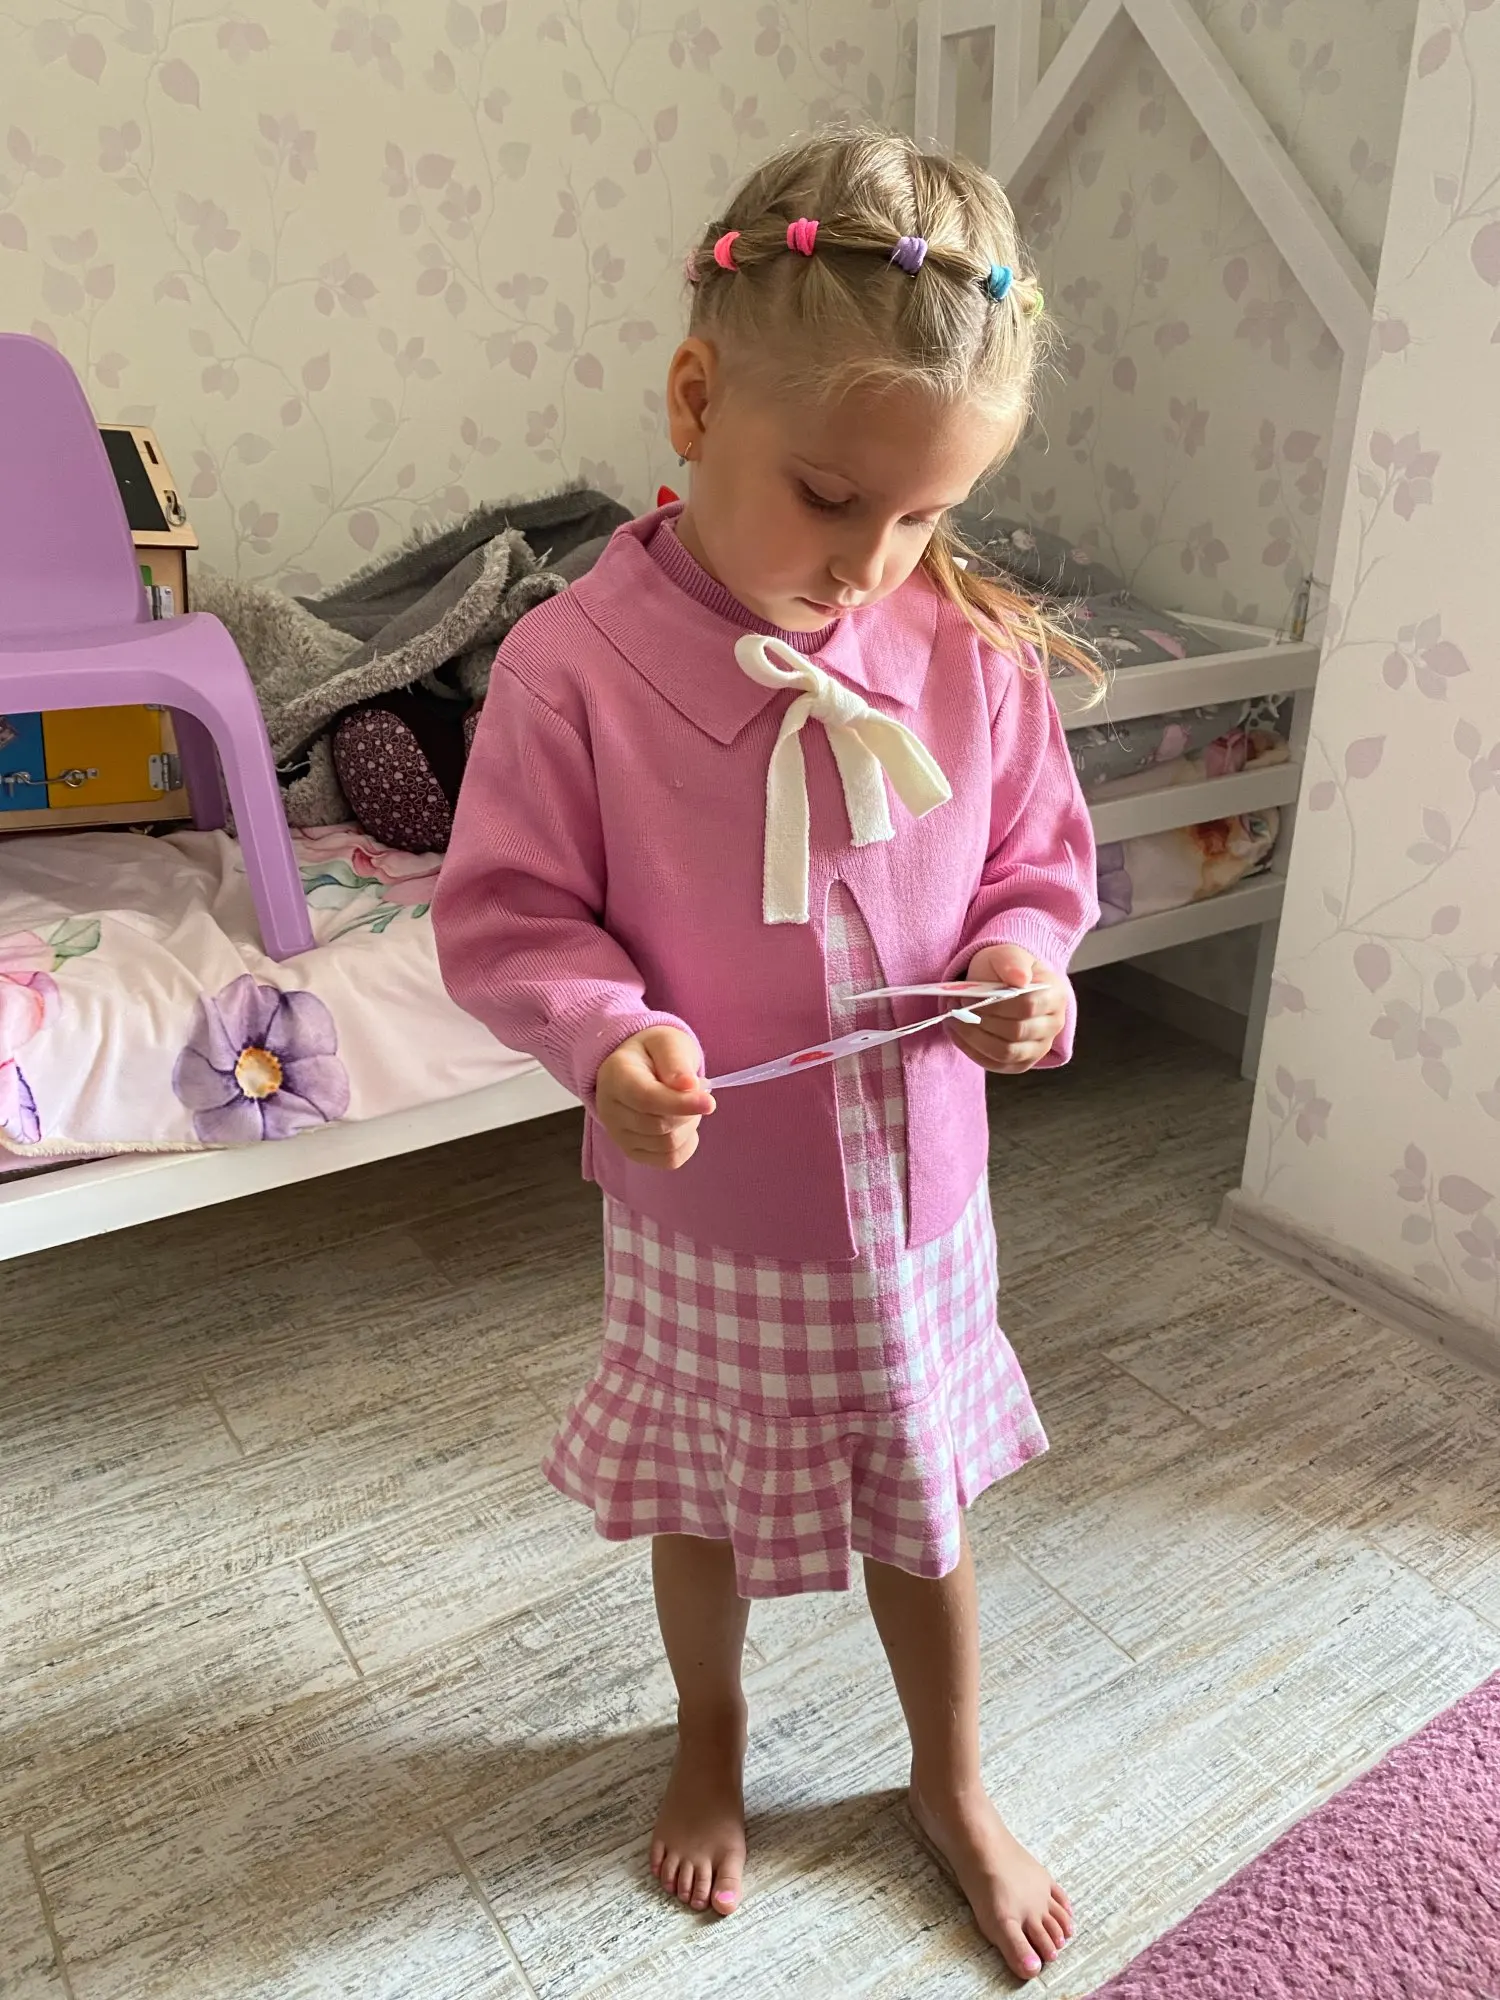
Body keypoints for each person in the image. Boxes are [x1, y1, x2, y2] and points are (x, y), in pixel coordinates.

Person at [433, 127, 1101, 1983]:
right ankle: (711, 1732)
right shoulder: (572, 669)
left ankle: (948, 1775)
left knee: (925, 1509)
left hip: (925, 1203)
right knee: (704, 1505)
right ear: (696, 398)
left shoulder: (966, 647)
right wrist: (610, 1038)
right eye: (828, 497)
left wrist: (1026, 963)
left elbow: (1038, 857)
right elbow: (511, 915)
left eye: (925, 516)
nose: (870, 564)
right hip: (709, 1210)